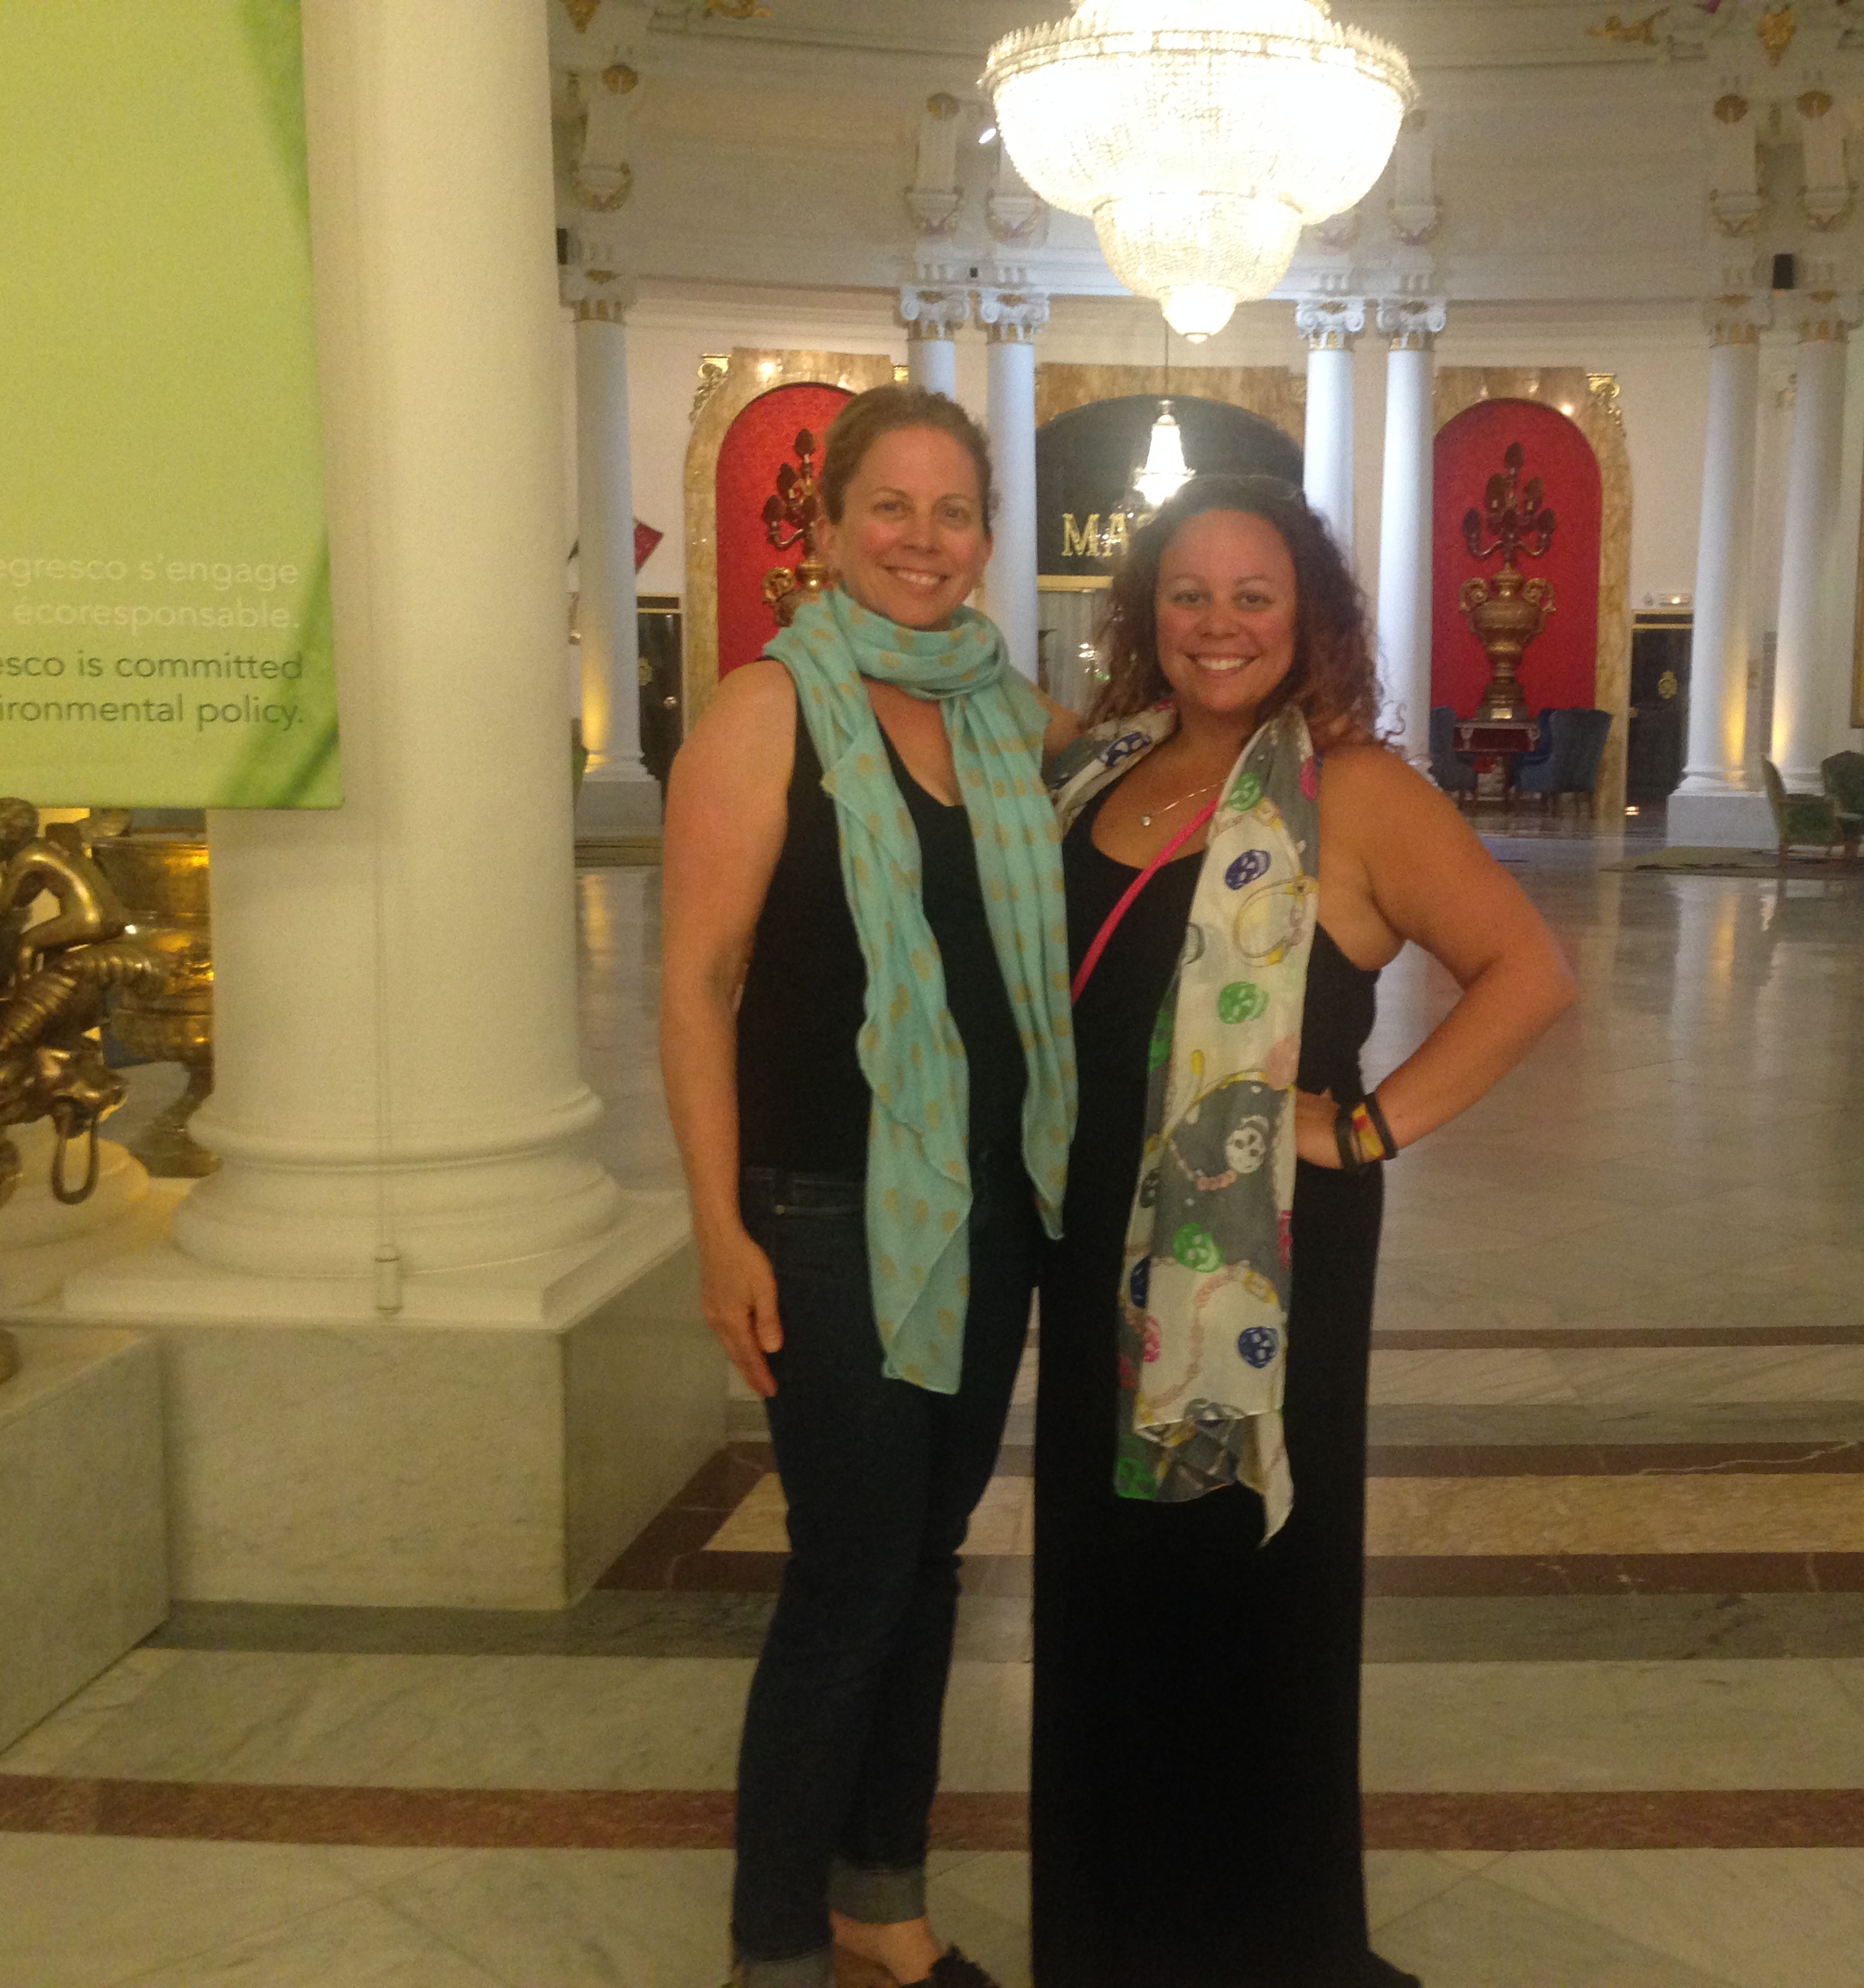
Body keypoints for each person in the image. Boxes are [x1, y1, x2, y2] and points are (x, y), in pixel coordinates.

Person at [1031, 473, 1577, 1987]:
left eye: (1254, 595)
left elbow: (1529, 974)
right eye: (1188, 594)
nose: (1219, 625)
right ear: (1146, 611)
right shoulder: (1101, 768)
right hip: (1091, 1251)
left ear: (1309, 615)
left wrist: (1370, 1124)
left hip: (1261, 1262)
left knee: (1238, 1590)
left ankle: (1264, 1947)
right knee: (1107, 1590)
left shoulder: (1359, 792)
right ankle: (1114, 1944)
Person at [660, 383, 1081, 1988]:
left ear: (986, 537)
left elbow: (1177, 774)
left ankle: (879, 1901)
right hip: (830, 1210)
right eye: (888, 508)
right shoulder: (767, 711)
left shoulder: (1009, 715)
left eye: (952, 511)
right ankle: (773, 1942)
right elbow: (697, 984)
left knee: (926, 1564)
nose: (922, 538)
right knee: (850, 1576)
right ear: (827, 528)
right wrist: (720, 1232)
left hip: (993, 1211)